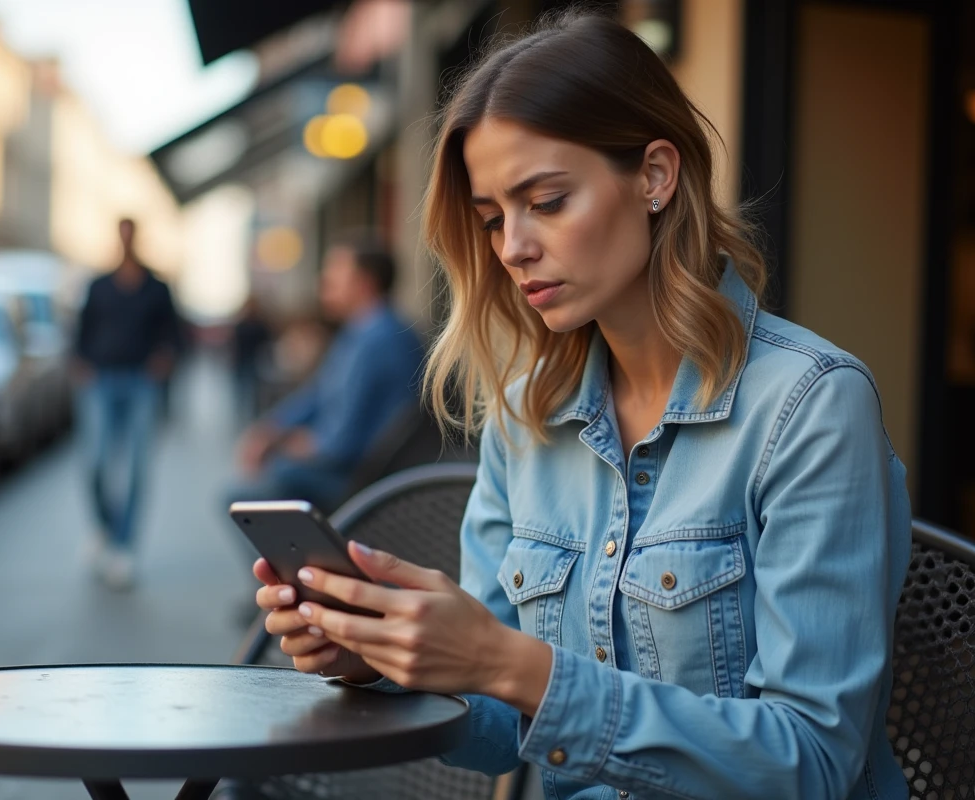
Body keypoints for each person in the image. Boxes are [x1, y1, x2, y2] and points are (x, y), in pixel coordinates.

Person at [254, 13, 912, 800]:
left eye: (549, 201)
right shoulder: (527, 416)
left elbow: (811, 764)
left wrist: (512, 663)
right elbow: (501, 732)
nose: (512, 247)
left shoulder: (808, 407)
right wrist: (388, 662)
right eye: (494, 218)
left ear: (656, 177)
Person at [228, 235, 424, 514]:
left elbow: (342, 442)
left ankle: (301, 559)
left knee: (248, 497)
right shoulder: (361, 331)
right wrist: (271, 429)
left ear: (364, 282)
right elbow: (317, 395)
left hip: (361, 478)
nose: (324, 281)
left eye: (335, 271)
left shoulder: (379, 339)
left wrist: (288, 444)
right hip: (355, 468)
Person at [74, 218, 182, 590]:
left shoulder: (156, 287)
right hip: (100, 381)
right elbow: (81, 329)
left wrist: (164, 360)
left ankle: (124, 546)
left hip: (141, 384)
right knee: (96, 463)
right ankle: (105, 526)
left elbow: (174, 333)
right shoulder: (98, 285)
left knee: (137, 467)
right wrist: (82, 364)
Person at [230, 296, 273, 422]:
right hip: (243, 362)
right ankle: (243, 413)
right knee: (243, 389)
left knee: (252, 390)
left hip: (253, 362)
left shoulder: (258, 325)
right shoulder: (243, 325)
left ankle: (250, 413)